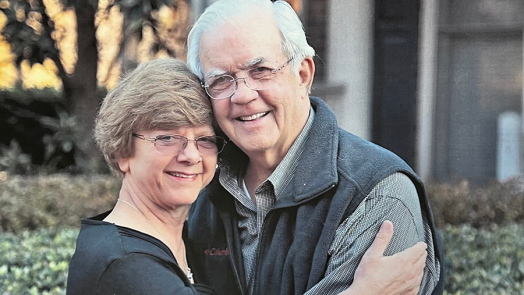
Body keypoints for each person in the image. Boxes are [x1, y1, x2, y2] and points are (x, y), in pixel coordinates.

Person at [184, 0, 445, 295]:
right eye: (221, 80)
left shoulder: (377, 194)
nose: (243, 95)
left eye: (261, 70)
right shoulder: (207, 193)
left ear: (303, 75)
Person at [66, 58, 221, 295]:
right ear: (122, 152)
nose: (191, 156)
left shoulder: (183, 242)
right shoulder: (125, 265)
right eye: (167, 138)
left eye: (205, 140)